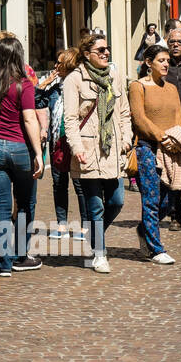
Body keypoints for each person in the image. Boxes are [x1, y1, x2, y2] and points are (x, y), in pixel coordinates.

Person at [63, 32, 131, 275]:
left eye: (107, 49)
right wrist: (77, 148)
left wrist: (126, 138)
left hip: (112, 149)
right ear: (86, 54)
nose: (106, 53)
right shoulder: (74, 79)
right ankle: (99, 254)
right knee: (95, 206)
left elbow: (124, 112)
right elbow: (70, 119)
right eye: (100, 50)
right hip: (88, 150)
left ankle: (95, 234)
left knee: (117, 201)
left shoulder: (115, 75)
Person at [0, 37, 44, 276]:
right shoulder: (24, 85)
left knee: (1, 208)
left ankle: (4, 263)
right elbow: (29, 119)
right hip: (19, 149)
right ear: (18, 57)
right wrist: (38, 153)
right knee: (25, 204)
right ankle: (20, 255)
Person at [128, 45, 181, 264]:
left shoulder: (171, 89)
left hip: (171, 150)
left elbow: (177, 116)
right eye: (161, 60)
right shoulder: (138, 86)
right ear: (149, 63)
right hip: (147, 148)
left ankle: (144, 230)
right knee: (151, 198)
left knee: (168, 201)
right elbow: (139, 119)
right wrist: (161, 136)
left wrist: (175, 139)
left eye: (168, 60)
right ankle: (156, 249)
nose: (166, 64)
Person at [38, 48, 87, 234]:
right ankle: (62, 223)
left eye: (60, 62)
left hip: (77, 140)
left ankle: (85, 224)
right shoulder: (54, 88)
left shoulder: (81, 85)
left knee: (80, 184)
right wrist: (48, 81)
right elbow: (36, 100)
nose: (56, 66)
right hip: (58, 140)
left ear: (69, 64)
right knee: (59, 183)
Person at [164, 23, 181, 225]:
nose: (176, 45)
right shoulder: (161, 63)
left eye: (180, 42)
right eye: (172, 42)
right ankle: (176, 215)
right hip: (171, 125)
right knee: (174, 172)